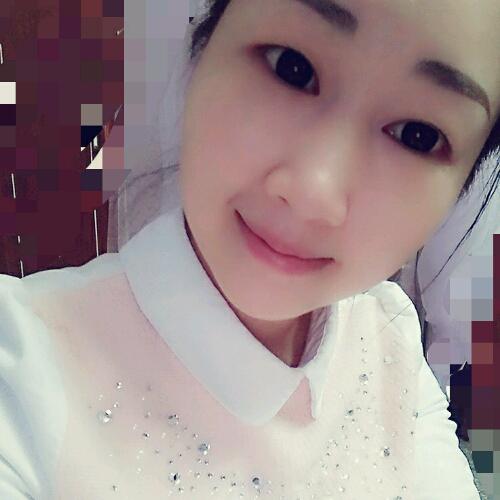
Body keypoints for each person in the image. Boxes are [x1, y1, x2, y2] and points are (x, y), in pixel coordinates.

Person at [1, 0, 499, 498]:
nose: (313, 192)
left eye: (417, 136)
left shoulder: (390, 342)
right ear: (203, 42)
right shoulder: (21, 369)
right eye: (292, 67)